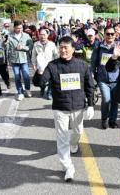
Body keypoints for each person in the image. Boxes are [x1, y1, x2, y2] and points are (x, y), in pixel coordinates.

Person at [40, 36, 95, 181]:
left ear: (73, 48)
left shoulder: (82, 65)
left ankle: (73, 143)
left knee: (78, 131)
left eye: (66, 47)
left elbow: (90, 86)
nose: (63, 50)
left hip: (78, 107)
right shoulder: (52, 66)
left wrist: (90, 105)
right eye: (61, 47)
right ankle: (67, 167)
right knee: (62, 138)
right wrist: (40, 71)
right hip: (60, 107)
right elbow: (40, 82)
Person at [90, 26, 120, 129]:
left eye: (112, 34)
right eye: (108, 34)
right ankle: (104, 119)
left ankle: (113, 121)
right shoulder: (98, 47)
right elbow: (93, 62)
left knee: (115, 102)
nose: (110, 36)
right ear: (104, 34)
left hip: (116, 79)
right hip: (103, 79)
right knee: (106, 100)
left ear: (115, 35)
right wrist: (92, 75)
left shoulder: (118, 46)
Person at [7, 20, 33, 101]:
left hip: (24, 59)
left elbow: (31, 45)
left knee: (26, 76)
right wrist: (8, 60)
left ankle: (27, 90)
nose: (20, 30)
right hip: (14, 60)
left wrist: (23, 47)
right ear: (14, 28)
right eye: (18, 28)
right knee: (17, 77)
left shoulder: (26, 35)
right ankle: (20, 92)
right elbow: (6, 48)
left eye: (21, 28)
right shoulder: (9, 36)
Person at [31, 28, 59, 99]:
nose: (42, 36)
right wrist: (34, 64)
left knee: (51, 80)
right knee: (41, 81)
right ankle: (42, 88)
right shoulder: (36, 44)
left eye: (44, 34)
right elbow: (33, 55)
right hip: (40, 66)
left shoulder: (51, 44)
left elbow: (56, 55)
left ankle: (49, 93)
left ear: (47, 35)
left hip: (50, 65)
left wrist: (57, 64)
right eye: (41, 34)